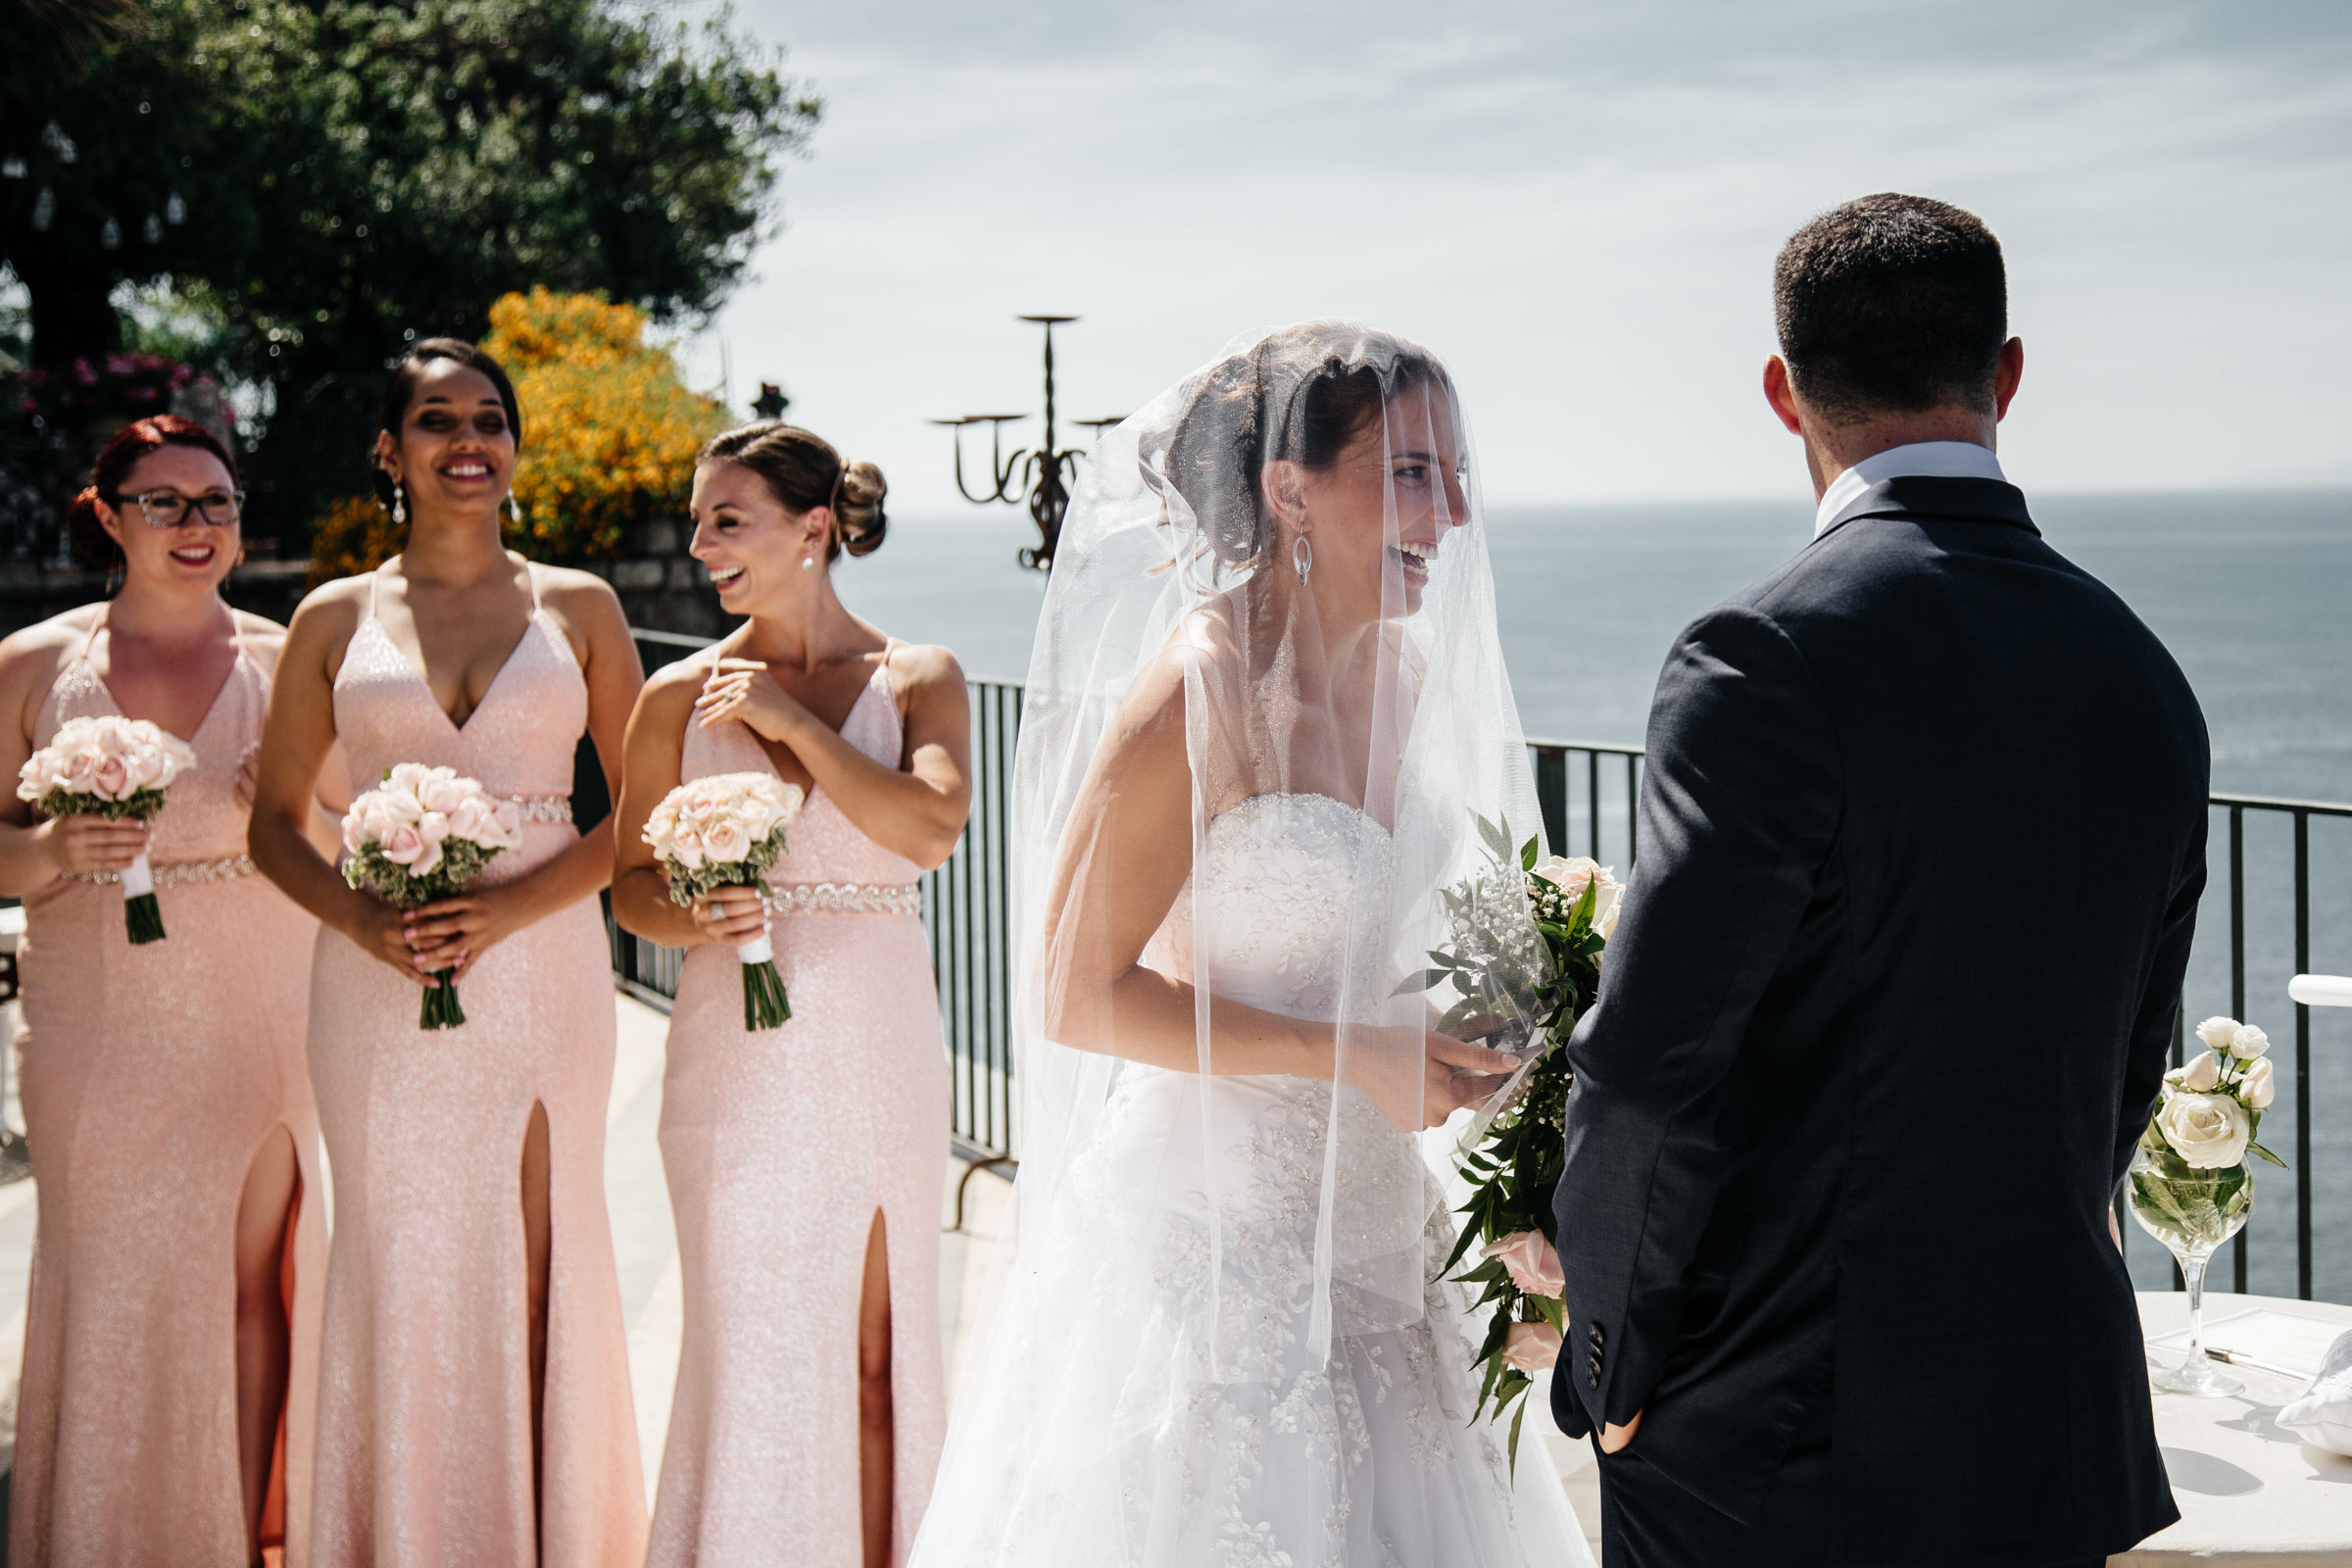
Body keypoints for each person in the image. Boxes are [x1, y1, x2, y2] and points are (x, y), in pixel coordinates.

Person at [1547, 193, 2206, 1566]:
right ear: (2006, 374)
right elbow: (2119, 1083)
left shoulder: (1761, 657)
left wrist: (1608, 1363)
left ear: (1783, 391)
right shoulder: (2144, 674)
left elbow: (1650, 1067)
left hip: (1779, 1449)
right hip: (2046, 1423)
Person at [907, 322, 1593, 1568]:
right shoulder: (1201, 687)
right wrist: (1350, 1053)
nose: (1450, 517)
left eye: (1455, 476)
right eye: (1410, 473)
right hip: (1212, 1244)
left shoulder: (1411, 680)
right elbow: (1073, 994)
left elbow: (1406, 950)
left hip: (1382, 1232)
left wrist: (1496, 1090)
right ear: (1290, 490)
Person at [248, 338, 650, 1565]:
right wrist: (363, 921)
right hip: (377, 978)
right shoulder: (331, 617)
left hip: (545, 974)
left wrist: (510, 910)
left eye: (490, 418)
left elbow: (642, 810)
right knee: (399, 1257)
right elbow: (273, 825)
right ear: (391, 450)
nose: (468, 440)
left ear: (513, 447)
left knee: (538, 1251)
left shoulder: (580, 607)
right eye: (437, 419)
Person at [611, 423, 968, 1568]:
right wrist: (696, 916)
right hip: (735, 1063)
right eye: (698, 521)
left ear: (814, 528)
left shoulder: (920, 678)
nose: (701, 545)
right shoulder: (673, 697)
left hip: (877, 1047)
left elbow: (928, 830)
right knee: (750, 1353)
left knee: (878, 1351)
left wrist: (789, 720)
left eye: (728, 520)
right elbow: (631, 888)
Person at [0, 414, 333, 1567]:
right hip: (94, 1027)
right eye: (166, 501)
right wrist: (52, 849)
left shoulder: (288, 659)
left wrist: (292, 808)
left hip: (259, 1012)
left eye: (217, 501)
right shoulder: (32, 665)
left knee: (250, 1287)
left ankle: (236, 1540)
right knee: (111, 1285)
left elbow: (345, 840)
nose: (198, 524)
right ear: (109, 516)